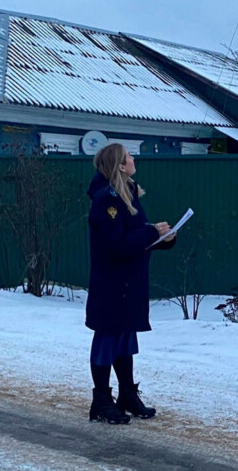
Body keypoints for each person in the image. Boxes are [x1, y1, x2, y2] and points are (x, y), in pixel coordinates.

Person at [85, 143, 176, 425]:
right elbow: (116, 245)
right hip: (111, 283)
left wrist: (163, 239)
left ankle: (126, 394)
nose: (133, 158)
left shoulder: (129, 194)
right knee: (107, 338)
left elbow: (136, 237)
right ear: (120, 166)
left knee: (125, 338)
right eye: (128, 156)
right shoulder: (106, 201)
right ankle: (101, 401)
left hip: (129, 282)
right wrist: (150, 233)